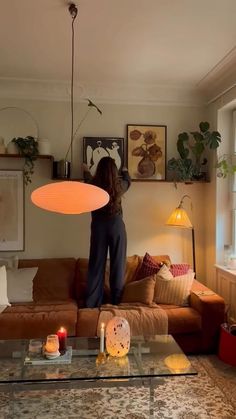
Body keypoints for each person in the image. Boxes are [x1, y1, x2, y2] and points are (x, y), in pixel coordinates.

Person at [83, 156, 131, 308]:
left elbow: (87, 176)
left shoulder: (92, 185)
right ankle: (116, 302)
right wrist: (125, 170)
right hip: (116, 226)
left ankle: (92, 303)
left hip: (98, 227)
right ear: (114, 171)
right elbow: (128, 181)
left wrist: (85, 169)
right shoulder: (120, 185)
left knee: (96, 264)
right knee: (118, 264)